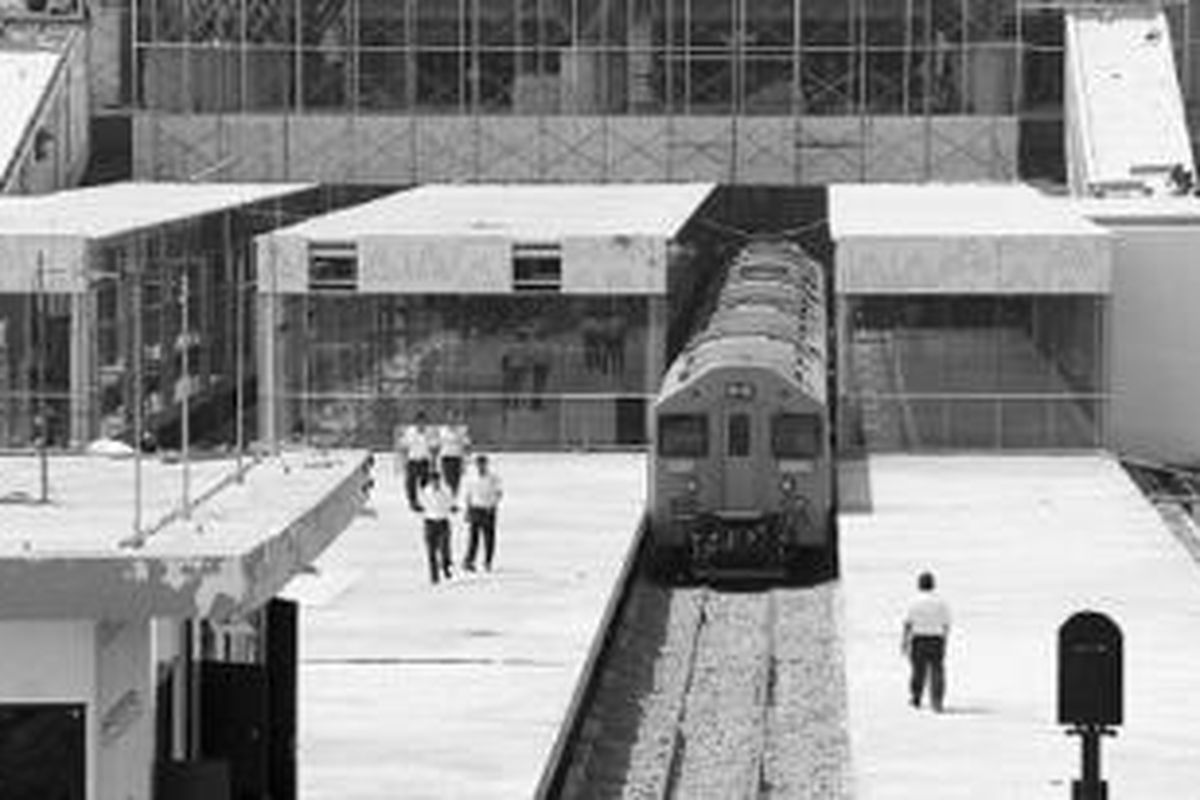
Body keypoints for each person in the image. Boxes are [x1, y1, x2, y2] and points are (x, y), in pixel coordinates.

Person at [901, 571, 952, 712]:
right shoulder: (941, 603)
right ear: (933, 585)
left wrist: (904, 642)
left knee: (918, 671)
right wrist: (944, 640)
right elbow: (946, 624)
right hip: (936, 639)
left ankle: (916, 697)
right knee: (937, 671)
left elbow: (908, 624)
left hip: (919, 640)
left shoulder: (913, 602)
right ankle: (937, 702)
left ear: (919, 585)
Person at [461, 454, 503, 572]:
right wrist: (467, 511)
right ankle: (469, 561)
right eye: (478, 464)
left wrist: (493, 505)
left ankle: (487, 561)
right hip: (475, 509)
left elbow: (499, 493)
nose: (480, 467)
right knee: (473, 537)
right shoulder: (471, 478)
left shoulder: (493, 477)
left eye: (483, 464)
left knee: (489, 537)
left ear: (486, 464)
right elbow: (468, 495)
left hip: (488, 509)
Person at [418, 473, 455, 584]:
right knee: (431, 551)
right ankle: (434, 577)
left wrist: (451, 508)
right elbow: (422, 504)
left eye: (437, 480)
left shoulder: (446, 491)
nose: (435, 483)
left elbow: (450, 503)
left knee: (444, 548)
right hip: (430, 523)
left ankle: (446, 565)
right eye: (433, 481)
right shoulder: (426, 492)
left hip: (443, 522)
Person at [400, 412, 440, 512]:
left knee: (425, 483)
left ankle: (426, 502)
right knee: (410, 483)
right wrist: (404, 460)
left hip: (424, 461)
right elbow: (404, 446)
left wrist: (434, 460)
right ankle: (413, 502)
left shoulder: (430, 432)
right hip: (413, 460)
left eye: (423, 422)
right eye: (419, 422)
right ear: (416, 422)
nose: (421, 424)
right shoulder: (410, 431)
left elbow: (434, 446)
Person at [438, 411, 471, 496]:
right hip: (446, 458)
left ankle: (453, 499)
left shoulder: (462, 430)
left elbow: (466, 445)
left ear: (456, 419)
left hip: (457, 459)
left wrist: (466, 460)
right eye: (449, 418)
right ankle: (450, 498)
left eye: (453, 418)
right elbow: (438, 444)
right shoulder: (442, 430)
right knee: (447, 480)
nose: (451, 420)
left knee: (456, 482)